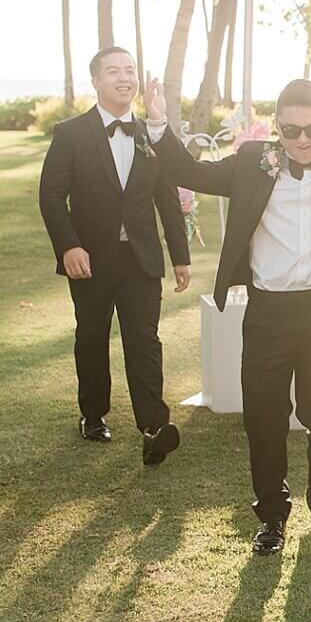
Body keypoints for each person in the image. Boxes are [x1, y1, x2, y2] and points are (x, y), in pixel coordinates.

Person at [144, 74, 311, 554]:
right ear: (276, 127)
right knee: (263, 415)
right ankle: (272, 514)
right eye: (291, 130)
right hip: (268, 311)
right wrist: (160, 123)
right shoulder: (250, 161)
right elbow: (191, 172)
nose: (303, 140)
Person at [38, 45, 191, 462]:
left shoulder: (149, 134)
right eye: (113, 71)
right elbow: (51, 195)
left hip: (140, 257)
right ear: (96, 80)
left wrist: (180, 255)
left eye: (129, 71)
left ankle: (154, 426)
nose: (124, 78)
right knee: (91, 336)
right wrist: (69, 245)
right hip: (88, 258)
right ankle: (93, 414)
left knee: (145, 340)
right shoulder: (70, 133)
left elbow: (167, 198)